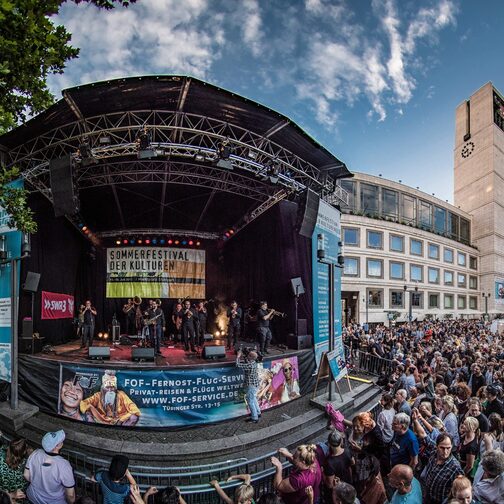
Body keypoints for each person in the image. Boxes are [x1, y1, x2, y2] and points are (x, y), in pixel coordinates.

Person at [23, 430, 76, 504]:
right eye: (60, 440)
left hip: (33, 496)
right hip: (53, 501)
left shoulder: (35, 453)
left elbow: (26, 475)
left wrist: (39, 483)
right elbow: (70, 496)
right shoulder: (64, 465)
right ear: (57, 446)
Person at [320, 430, 354, 501]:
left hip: (338, 489)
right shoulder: (348, 451)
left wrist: (322, 472)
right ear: (341, 441)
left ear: (329, 443)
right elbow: (353, 463)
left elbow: (330, 485)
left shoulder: (329, 462)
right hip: (347, 481)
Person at [236, 349, 261, 423]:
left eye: (249, 355)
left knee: (250, 401)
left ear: (250, 357)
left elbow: (238, 365)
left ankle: (254, 418)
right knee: (253, 399)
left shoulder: (249, 365)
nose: (247, 356)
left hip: (251, 386)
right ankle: (258, 413)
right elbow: (247, 362)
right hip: (255, 384)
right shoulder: (254, 363)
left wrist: (238, 356)